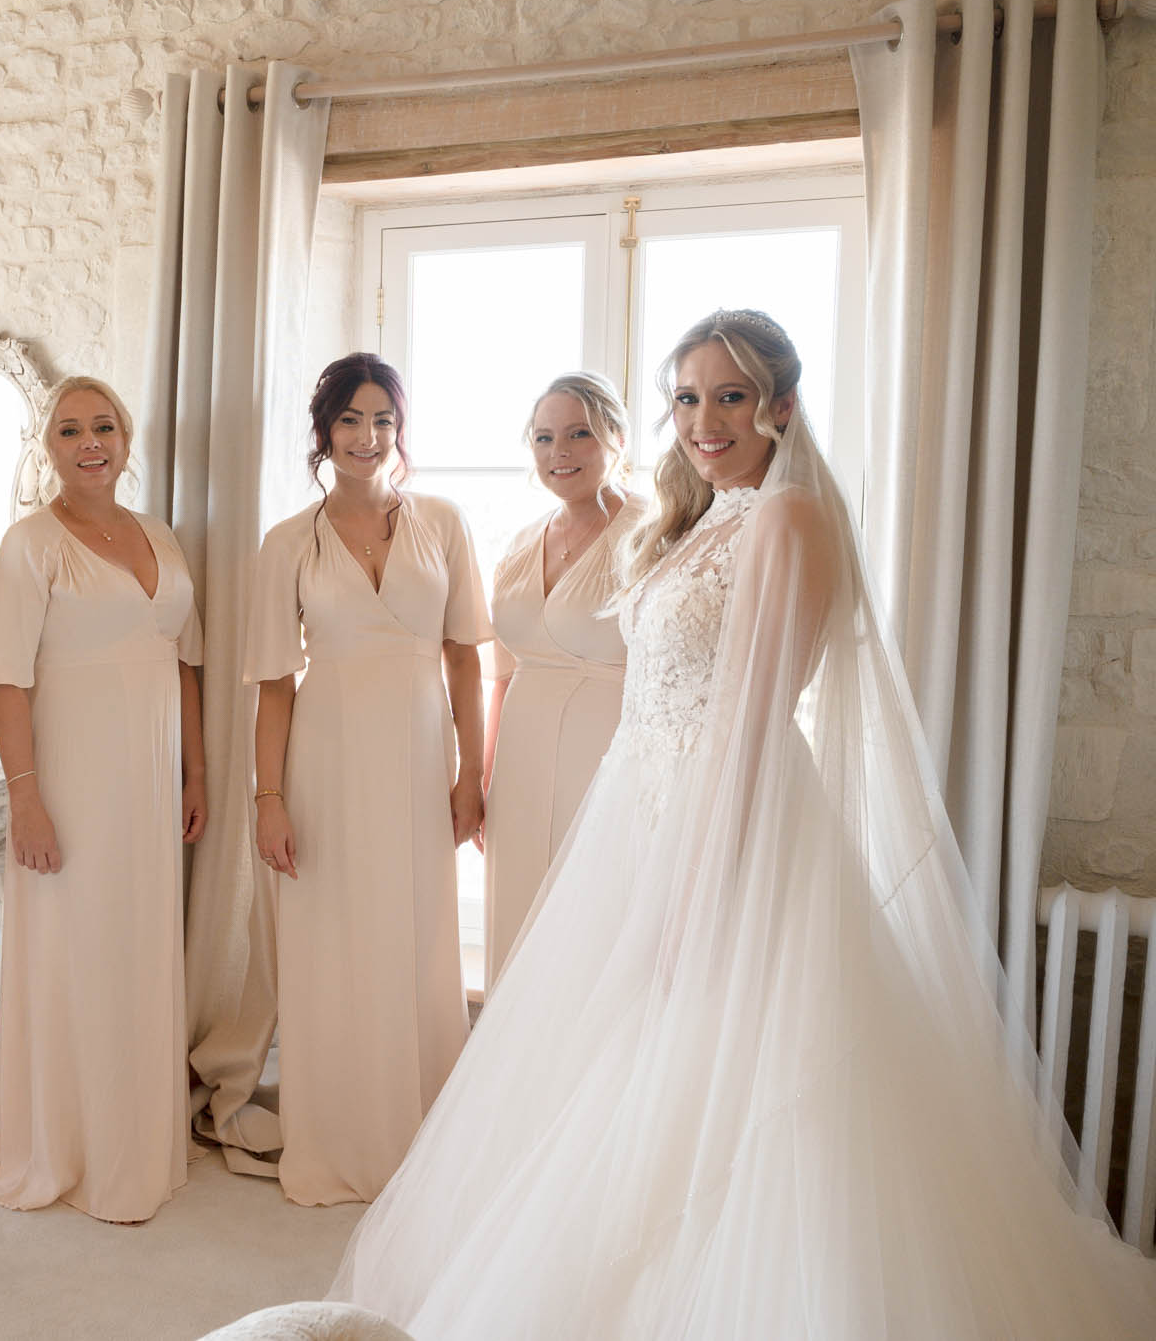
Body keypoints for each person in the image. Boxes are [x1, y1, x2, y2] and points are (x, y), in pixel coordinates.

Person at [331, 310, 1156, 1335]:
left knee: (736, 1081)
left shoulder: (786, 518)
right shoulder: (704, 515)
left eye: (728, 395)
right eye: (685, 397)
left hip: (729, 828)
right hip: (640, 812)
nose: (703, 419)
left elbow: (755, 724)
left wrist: (701, 885)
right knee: (615, 1073)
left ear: (780, 402)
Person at [244, 352, 489, 1206]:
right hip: (327, 753)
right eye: (351, 419)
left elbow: (464, 657)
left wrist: (471, 771)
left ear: (400, 428)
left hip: (423, 753)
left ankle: (424, 1135)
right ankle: (342, 1136)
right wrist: (266, 798)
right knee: (334, 937)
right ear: (324, 432)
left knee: (417, 936)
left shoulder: (444, 524)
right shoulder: (287, 545)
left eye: (383, 418)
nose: (368, 434)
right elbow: (274, 686)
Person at [0, 375, 208, 1224]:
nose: (90, 443)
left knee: (137, 942)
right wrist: (25, 798)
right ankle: (70, 1144)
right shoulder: (30, 543)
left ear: (126, 435)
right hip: (69, 774)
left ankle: (136, 1137)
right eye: (70, 431)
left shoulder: (160, 537)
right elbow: (7, 679)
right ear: (50, 448)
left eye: (103, 426)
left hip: (149, 778)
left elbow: (182, 659)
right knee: (79, 945)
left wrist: (198, 771)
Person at [478, 372, 644, 985]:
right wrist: (482, 777)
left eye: (579, 434)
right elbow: (501, 674)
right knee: (521, 923)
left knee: (597, 927)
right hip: (520, 766)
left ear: (617, 439)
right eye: (544, 438)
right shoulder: (521, 542)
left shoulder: (655, 533)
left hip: (609, 760)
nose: (560, 453)